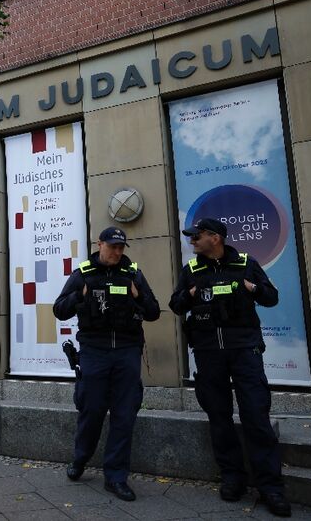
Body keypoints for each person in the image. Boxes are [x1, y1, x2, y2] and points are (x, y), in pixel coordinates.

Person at [169, 218, 290, 517]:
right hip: (209, 353)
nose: (192, 240)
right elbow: (175, 304)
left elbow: (272, 297)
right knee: (219, 417)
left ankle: (270, 487)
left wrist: (252, 287)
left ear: (216, 237)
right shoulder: (192, 270)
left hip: (244, 350)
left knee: (256, 415)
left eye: (197, 236)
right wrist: (190, 295)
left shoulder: (247, 264)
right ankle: (233, 478)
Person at [53, 227, 160, 502]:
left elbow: (154, 312)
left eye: (121, 247)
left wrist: (138, 295)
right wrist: (80, 295)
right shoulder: (84, 273)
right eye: (112, 246)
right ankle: (81, 458)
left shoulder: (133, 273)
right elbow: (59, 309)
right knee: (92, 410)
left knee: (124, 415)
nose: (117, 252)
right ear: (99, 244)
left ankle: (116, 477)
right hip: (94, 351)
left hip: (126, 351)